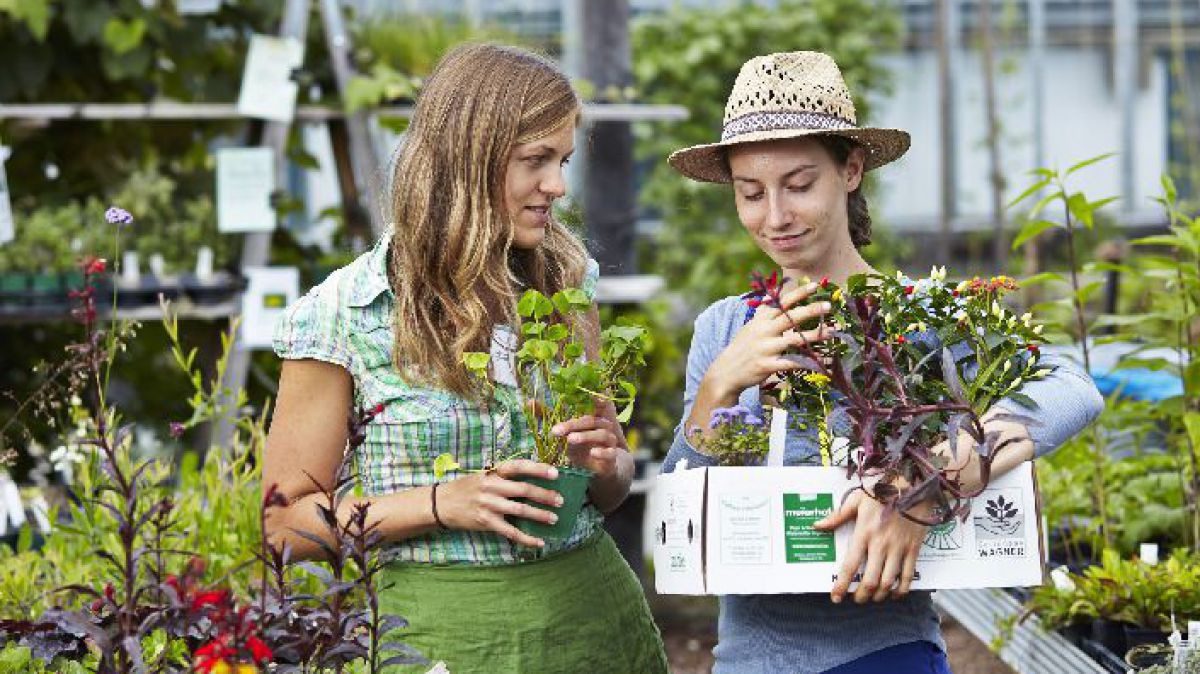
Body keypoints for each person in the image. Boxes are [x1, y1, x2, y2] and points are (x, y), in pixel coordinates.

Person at [662, 51, 1104, 674]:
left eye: (798, 184)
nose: (775, 217)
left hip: (883, 652)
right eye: (751, 193)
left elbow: (1072, 388)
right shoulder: (726, 327)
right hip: (747, 659)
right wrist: (717, 389)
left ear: (851, 169)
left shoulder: (915, 316)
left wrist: (930, 480)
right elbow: (683, 509)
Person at [264, 44, 668, 673]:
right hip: (434, 641)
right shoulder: (346, 311)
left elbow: (605, 493)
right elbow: (285, 526)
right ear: (467, 161)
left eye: (561, 160)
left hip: (594, 629)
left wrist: (607, 462)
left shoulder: (564, 279)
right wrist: (441, 503)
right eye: (535, 161)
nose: (558, 185)